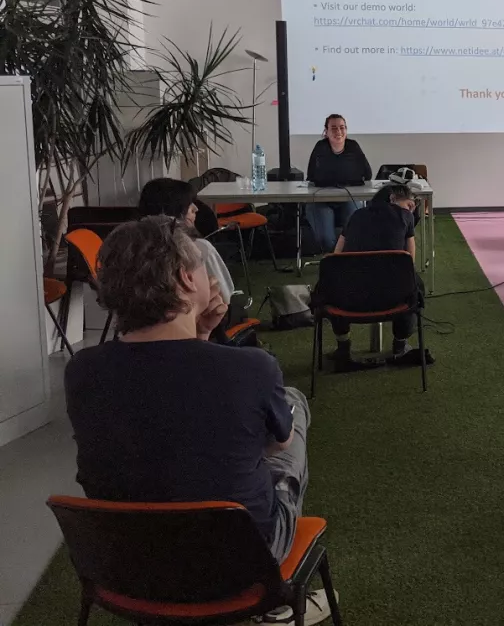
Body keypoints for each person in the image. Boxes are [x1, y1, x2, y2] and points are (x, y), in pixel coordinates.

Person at [62, 219, 329, 608]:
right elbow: (276, 444)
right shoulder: (251, 367)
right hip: (241, 564)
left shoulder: (81, 371)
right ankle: (277, 606)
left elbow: (165, 410)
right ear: (187, 279)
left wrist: (201, 335)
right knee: (292, 409)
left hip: (127, 564)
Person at [320, 183, 429, 372]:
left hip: (349, 299)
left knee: (334, 284)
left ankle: (343, 347)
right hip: (392, 298)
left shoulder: (355, 215)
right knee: (414, 285)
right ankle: (400, 346)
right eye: (410, 205)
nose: (411, 210)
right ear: (393, 199)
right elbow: (408, 264)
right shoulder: (406, 217)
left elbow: (336, 258)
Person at [137, 177, 234, 305]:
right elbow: (226, 295)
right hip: (195, 314)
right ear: (172, 210)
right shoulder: (199, 248)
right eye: (188, 204)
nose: (196, 208)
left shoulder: (130, 247)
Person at [305, 113, 372, 253]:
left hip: (348, 197)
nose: (339, 131)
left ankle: (347, 260)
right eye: (334, 128)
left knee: (355, 232)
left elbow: (367, 174)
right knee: (326, 239)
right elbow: (311, 175)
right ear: (326, 131)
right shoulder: (320, 147)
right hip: (321, 200)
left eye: (342, 127)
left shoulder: (353, 146)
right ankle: (335, 259)